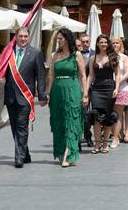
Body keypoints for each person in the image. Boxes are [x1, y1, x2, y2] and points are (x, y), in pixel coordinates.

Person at [4, 27, 47, 168]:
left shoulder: (35, 53)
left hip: (25, 97)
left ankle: (19, 157)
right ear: (15, 37)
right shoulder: (8, 52)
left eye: (26, 36)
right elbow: (0, 71)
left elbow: (41, 76)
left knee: (22, 126)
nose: (23, 39)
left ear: (29, 37)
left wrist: (42, 95)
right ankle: (25, 154)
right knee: (15, 127)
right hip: (10, 96)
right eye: (21, 36)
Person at [46, 28, 88, 167]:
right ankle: (60, 151)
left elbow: (83, 75)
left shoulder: (76, 55)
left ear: (67, 39)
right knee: (59, 122)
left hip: (72, 89)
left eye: (60, 38)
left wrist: (85, 94)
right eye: (57, 39)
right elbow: (51, 75)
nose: (58, 41)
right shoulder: (55, 55)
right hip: (57, 90)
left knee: (71, 120)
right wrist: (48, 93)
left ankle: (68, 154)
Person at [88, 34, 120, 154]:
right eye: (101, 42)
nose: (104, 44)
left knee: (107, 116)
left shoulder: (113, 57)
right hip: (96, 89)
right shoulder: (93, 58)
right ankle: (97, 144)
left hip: (109, 88)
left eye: (106, 42)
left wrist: (116, 88)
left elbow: (117, 74)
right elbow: (90, 75)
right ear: (97, 44)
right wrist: (86, 90)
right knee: (96, 116)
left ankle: (105, 144)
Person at [111, 37, 128, 148]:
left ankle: (115, 138)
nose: (115, 45)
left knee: (118, 114)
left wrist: (117, 83)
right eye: (113, 43)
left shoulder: (124, 57)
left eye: (117, 43)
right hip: (108, 88)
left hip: (122, 88)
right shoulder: (108, 56)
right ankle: (116, 134)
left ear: (121, 45)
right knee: (110, 114)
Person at [79, 33, 95, 148]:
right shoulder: (75, 54)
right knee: (83, 113)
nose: (85, 44)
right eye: (83, 42)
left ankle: (89, 135)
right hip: (79, 87)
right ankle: (85, 136)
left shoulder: (95, 54)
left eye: (87, 42)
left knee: (92, 113)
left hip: (94, 87)